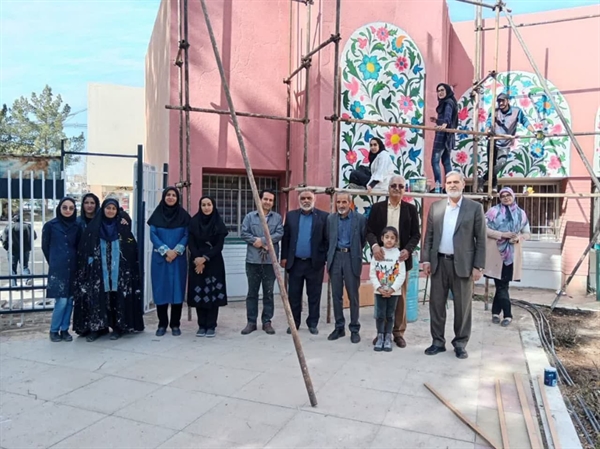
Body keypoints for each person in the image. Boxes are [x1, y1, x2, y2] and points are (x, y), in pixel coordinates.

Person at [421, 171, 486, 359]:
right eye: (449, 182)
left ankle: (460, 343)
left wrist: (478, 266)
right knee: (436, 305)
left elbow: (481, 239)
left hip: (463, 265)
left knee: (462, 307)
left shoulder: (475, 208)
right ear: (445, 185)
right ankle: (437, 342)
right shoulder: (436, 207)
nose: (452, 185)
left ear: (463, 184)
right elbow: (429, 236)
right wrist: (426, 260)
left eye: (456, 182)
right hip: (439, 263)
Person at [75, 198, 144, 342]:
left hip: (118, 272)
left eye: (113, 208)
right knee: (97, 298)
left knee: (117, 297)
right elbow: (85, 248)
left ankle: (118, 327)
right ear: (103, 209)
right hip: (98, 272)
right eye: (108, 208)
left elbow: (131, 249)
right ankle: (97, 328)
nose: (110, 211)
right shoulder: (94, 227)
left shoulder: (122, 227)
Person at [366, 175, 421, 348]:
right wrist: (375, 245)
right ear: (388, 188)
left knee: (400, 298)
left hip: (400, 259)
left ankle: (398, 333)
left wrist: (408, 250)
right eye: (393, 185)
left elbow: (416, 234)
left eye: (401, 186)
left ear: (405, 189)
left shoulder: (410, 209)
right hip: (381, 259)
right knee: (381, 296)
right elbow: (369, 230)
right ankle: (382, 333)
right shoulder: (377, 208)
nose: (397, 188)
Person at [280, 191, 328, 335]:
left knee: (314, 295)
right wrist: (284, 257)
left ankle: (312, 323)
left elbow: (327, 239)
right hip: (295, 263)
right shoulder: (291, 216)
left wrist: (323, 257)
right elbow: (286, 238)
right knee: (294, 295)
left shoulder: (324, 216)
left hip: (314, 264)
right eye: (303, 198)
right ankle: (294, 323)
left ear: (314, 199)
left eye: (309, 198)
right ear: (299, 200)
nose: (306, 200)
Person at [484, 187, 530, 327]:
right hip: (496, 253)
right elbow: (483, 228)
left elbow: (527, 233)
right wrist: (502, 235)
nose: (506, 198)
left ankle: (495, 312)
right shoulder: (493, 212)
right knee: (501, 285)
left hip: (512, 253)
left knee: (503, 284)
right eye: (502, 196)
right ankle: (508, 315)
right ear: (499, 198)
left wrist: (519, 238)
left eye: (508, 195)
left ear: (513, 196)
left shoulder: (521, 213)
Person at [240, 189, 284, 335]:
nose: (268, 202)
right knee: (252, 293)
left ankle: (267, 321)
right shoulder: (250, 217)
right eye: (265, 199)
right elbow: (244, 233)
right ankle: (251, 322)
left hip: (270, 262)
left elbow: (279, 233)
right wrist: (256, 241)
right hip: (253, 261)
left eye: (271, 200)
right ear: (259, 200)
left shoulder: (277, 218)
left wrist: (264, 241)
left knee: (268, 293)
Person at [148, 187, 190, 337]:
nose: (171, 197)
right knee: (161, 291)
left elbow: (186, 235)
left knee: (177, 291)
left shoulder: (183, 216)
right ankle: (162, 324)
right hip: (160, 259)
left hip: (178, 260)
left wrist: (175, 251)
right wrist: (166, 251)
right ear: (164, 197)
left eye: (173, 195)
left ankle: (175, 324)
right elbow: (153, 235)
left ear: (177, 198)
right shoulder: (156, 215)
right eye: (168, 195)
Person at [478, 92, 540, 193]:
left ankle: (483, 179)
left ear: (508, 101)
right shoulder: (495, 111)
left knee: (501, 163)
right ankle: (494, 185)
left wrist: (534, 132)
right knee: (492, 165)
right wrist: (486, 131)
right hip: (493, 141)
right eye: (499, 101)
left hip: (505, 144)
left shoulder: (516, 111)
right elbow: (489, 122)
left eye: (503, 101)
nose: (501, 103)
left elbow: (525, 122)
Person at [326, 192, 367, 343]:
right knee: (336, 295)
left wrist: (354, 251)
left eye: (344, 202)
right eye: (338, 202)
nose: (341, 205)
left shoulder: (360, 219)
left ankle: (354, 329)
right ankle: (339, 328)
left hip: (351, 258)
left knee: (353, 295)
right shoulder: (331, 219)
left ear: (350, 203)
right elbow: (328, 238)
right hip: (335, 257)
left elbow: (363, 239)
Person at [187, 196, 229, 337]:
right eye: (203, 205)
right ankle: (201, 325)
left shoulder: (218, 223)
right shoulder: (193, 222)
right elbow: (191, 243)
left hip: (214, 263)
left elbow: (219, 246)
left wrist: (204, 259)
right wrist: (198, 259)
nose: (206, 207)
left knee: (212, 294)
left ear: (213, 206)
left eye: (209, 204)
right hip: (196, 262)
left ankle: (211, 325)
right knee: (199, 293)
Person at [41, 198, 80, 342]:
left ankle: (64, 330)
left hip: (73, 267)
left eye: (71, 208)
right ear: (59, 208)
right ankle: (54, 330)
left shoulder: (77, 226)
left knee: (70, 301)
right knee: (61, 301)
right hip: (58, 269)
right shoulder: (50, 226)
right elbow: (45, 247)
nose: (68, 210)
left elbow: (78, 246)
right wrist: (54, 261)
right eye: (65, 207)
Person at [370, 226, 406, 352]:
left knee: (390, 315)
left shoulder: (398, 254)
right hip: (379, 291)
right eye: (387, 237)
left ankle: (388, 337)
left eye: (392, 238)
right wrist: (379, 287)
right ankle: (380, 336)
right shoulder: (378, 253)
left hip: (393, 292)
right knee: (380, 314)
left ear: (396, 240)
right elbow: (372, 273)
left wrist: (393, 289)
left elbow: (401, 274)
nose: (389, 240)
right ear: (382, 238)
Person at [429, 83, 458, 191]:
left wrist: (444, 124)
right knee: (446, 162)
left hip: (442, 135)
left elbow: (448, 117)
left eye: (442, 90)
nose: (440, 93)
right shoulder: (448, 102)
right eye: (438, 91)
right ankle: (450, 187)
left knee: (434, 161)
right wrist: (437, 121)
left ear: (447, 91)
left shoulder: (448, 102)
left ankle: (438, 187)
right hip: (448, 135)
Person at [3, 214, 37, 287]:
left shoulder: (9, 227)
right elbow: (34, 236)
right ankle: (27, 279)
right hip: (25, 250)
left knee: (12, 268)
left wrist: (7, 248)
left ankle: (14, 284)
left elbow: (4, 239)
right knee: (24, 266)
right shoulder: (28, 226)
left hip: (12, 250)